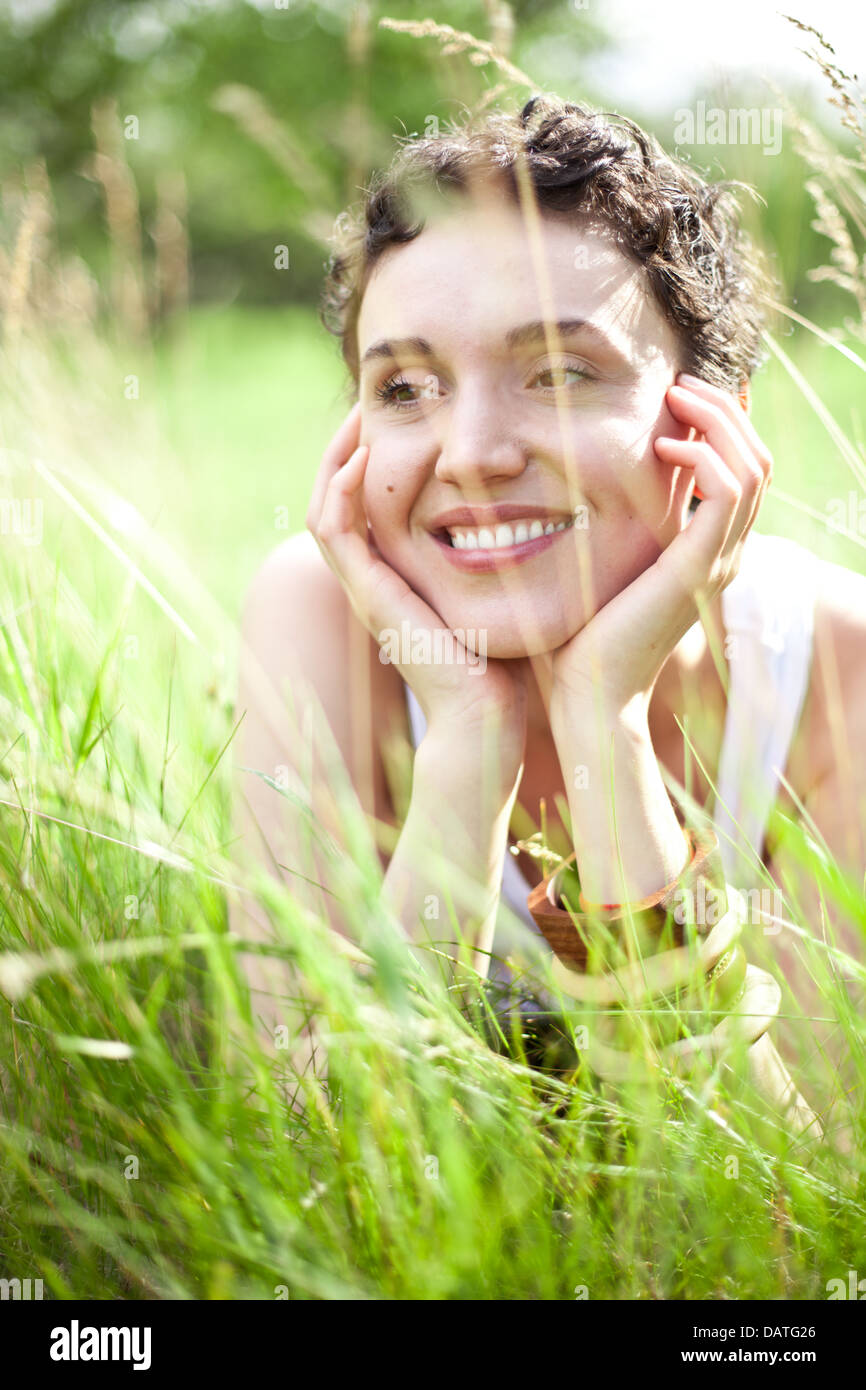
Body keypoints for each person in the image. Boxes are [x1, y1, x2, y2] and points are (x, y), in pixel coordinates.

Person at [230, 97, 866, 1138]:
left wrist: (603, 732)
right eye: (405, 387)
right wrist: (466, 748)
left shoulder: (829, 675)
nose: (471, 452)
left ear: (714, 422)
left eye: (561, 373)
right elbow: (309, 1156)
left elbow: (789, 1219)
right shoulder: (318, 615)